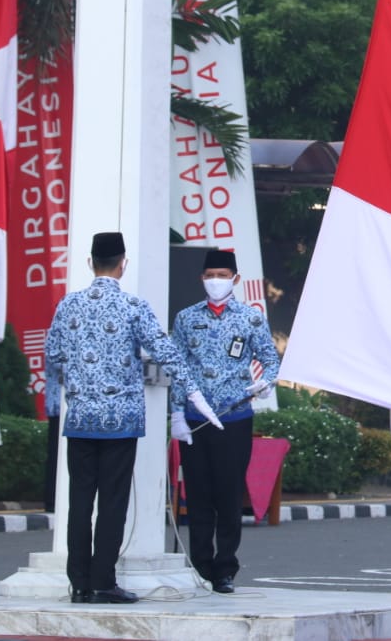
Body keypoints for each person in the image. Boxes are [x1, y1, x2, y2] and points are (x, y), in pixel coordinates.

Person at [45, 232, 221, 605]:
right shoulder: (133, 306)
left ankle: (78, 583)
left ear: (90, 263)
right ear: (123, 264)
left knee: (80, 502)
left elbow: (54, 354)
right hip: (121, 420)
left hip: (80, 419)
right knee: (112, 502)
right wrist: (194, 393)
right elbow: (167, 354)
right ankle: (102, 581)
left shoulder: (68, 305)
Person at [170, 248, 281, 595]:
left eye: (222, 275)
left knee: (229, 494)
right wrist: (176, 414)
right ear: (202, 278)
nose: (215, 281)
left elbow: (270, 359)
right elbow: (177, 369)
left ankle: (225, 568)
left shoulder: (251, 318)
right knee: (198, 495)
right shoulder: (186, 318)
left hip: (235, 416)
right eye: (209, 275)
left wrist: (266, 383)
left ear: (234, 279)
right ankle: (201, 565)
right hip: (194, 420)